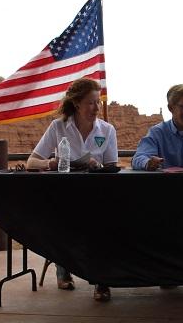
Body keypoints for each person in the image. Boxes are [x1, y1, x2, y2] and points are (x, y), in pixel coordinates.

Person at [27, 77, 118, 302]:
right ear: (76, 103)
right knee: (61, 217)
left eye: (98, 102)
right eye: (90, 102)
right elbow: (31, 162)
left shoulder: (107, 130)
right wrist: (51, 163)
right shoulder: (58, 126)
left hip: (96, 194)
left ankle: (101, 280)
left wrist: (99, 167)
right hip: (65, 194)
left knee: (104, 224)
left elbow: (112, 168)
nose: (96, 108)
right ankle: (63, 267)